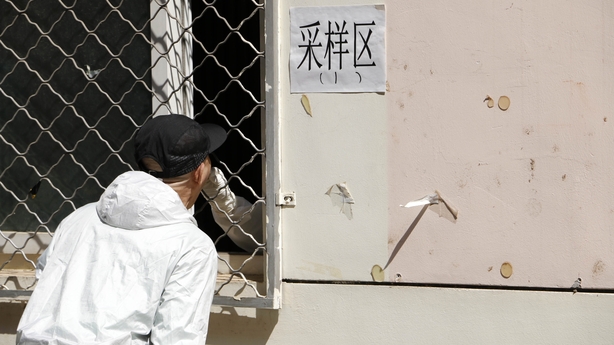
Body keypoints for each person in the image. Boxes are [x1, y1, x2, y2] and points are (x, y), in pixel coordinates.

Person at [17, 114, 228, 345]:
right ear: (199, 172)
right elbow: (178, 338)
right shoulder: (192, 246)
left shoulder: (79, 217)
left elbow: (45, 281)